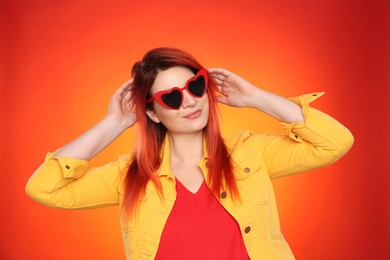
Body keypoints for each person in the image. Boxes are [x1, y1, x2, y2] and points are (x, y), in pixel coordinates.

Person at [26, 47, 354, 260]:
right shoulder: (129, 176)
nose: (190, 101)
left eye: (195, 86)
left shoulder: (251, 154)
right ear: (152, 113)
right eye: (171, 98)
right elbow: (45, 188)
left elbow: (335, 141)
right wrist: (115, 122)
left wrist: (255, 96)